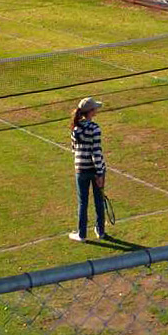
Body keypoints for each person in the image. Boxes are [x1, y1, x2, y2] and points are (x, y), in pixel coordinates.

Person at [68, 97, 107, 243]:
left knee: (82, 202)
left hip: (81, 169)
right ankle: (100, 231)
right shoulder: (95, 128)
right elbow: (96, 152)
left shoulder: (75, 128)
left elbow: (74, 149)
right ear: (91, 111)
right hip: (95, 169)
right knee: (98, 200)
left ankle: (82, 234)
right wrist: (99, 173)